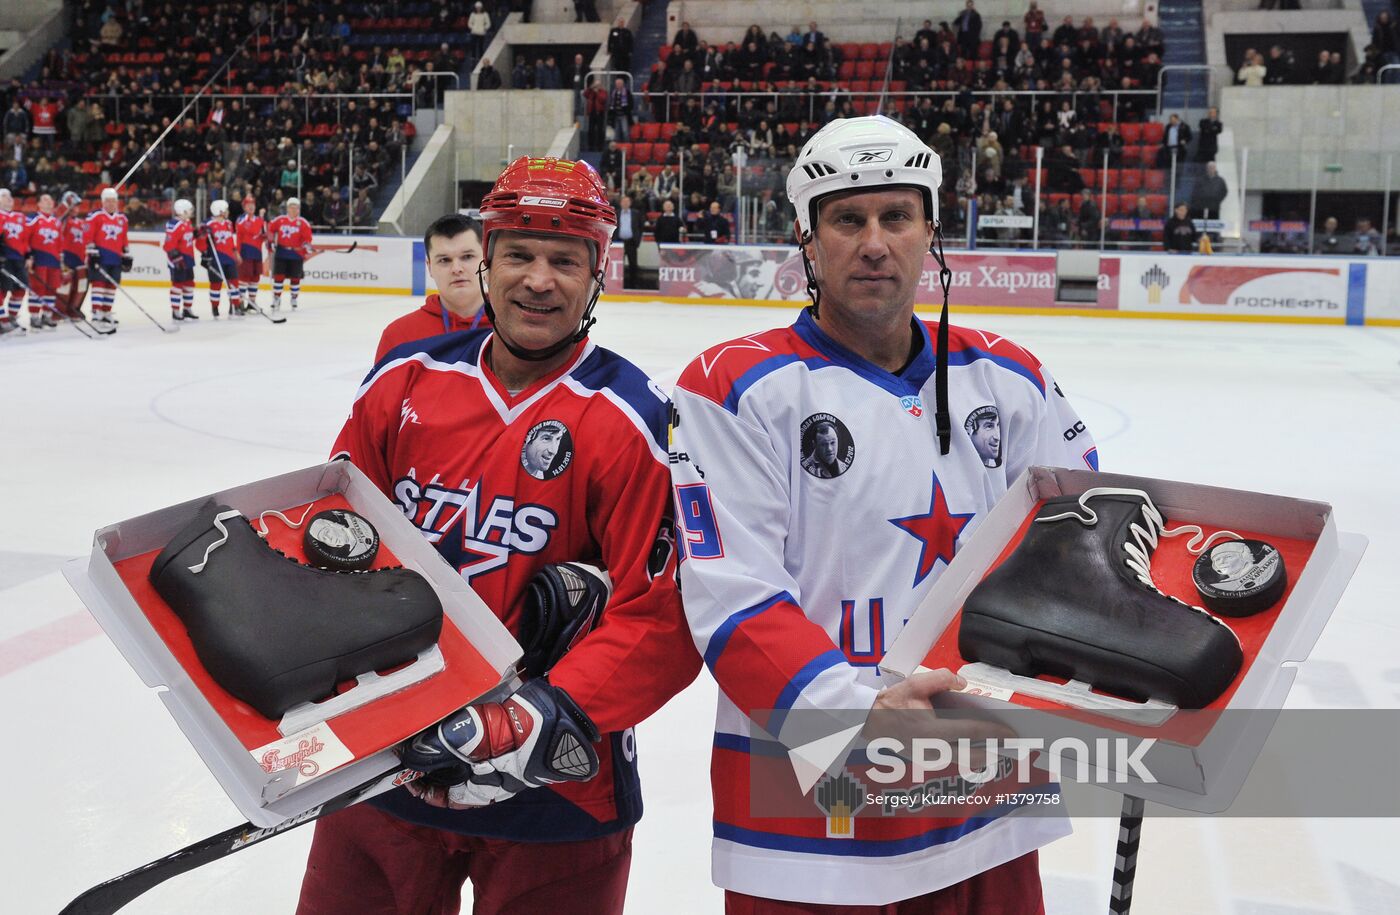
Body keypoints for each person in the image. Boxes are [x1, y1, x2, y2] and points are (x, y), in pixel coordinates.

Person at [669, 115, 1097, 911]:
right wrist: (860, 717)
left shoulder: (1011, 377)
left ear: (931, 231)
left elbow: (1080, 550)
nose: (874, 243)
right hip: (804, 815)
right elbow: (731, 595)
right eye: (847, 219)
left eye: (897, 216)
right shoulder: (731, 387)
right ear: (807, 239)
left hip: (987, 792)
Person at [297, 156, 700, 915]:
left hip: (559, 787)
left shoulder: (637, 419)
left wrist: (528, 717)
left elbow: (662, 613)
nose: (538, 280)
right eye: (519, 254)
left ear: (597, 273)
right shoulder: (404, 379)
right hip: (388, 766)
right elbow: (336, 541)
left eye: (564, 260)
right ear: (487, 259)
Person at [374, 214, 489, 361]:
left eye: (467, 257)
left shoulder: (510, 329)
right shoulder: (398, 336)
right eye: (444, 260)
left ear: (485, 259)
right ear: (429, 267)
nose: (456, 269)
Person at [86, 186, 130, 329]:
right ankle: (96, 313)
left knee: (112, 286)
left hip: (116, 258)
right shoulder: (94, 216)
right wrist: (92, 253)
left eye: (113, 201)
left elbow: (124, 238)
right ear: (103, 202)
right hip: (100, 257)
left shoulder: (122, 218)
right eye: (108, 201)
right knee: (99, 284)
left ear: (117, 202)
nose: (111, 204)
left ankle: (106, 312)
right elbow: (88, 236)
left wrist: (126, 253)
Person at [197, 199, 242, 317]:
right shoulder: (207, 224)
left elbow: (230, 240)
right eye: (226, 210)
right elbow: (199, 244)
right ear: (220, 211)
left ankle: (235, 306)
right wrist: (203, 239)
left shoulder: (228, 223)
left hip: (230, 258)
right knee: (216, 284)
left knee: (234, 282)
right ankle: (215, 306)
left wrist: (235, 252)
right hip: (216, 259)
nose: (228, 212)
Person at [267, 196, 313, 311]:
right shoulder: (280, 220)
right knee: (279, 277)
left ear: (298, 209)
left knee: (295, 278)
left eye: (295, 208)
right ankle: (277, 298)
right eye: (291, 207)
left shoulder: (303, 223)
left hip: (296, 254)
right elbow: (270, 229)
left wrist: (306, 245)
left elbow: (307, 238)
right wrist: (271, 241)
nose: (293, 210)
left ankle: (294, 298)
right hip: (281, 252)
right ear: (287, 208)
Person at [25, 193, 63, 329]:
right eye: (45, 200)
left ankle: (47, 315)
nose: (48, 202)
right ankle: (34, 317)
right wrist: (29, 256)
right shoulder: (32, 219)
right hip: (38, 258)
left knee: (52, 288)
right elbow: (26, 237)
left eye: (50, 200)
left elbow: (60, 242)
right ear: (39, 204)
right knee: (37, 288)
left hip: (54, 260)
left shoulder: (57, 222)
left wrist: (61, 258)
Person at [0, 188, 30, 330]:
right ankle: (2, 320)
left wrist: (28, 255)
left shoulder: (21, 217)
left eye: (10, 196)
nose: (9, 198)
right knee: (2, 290)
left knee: (21, 288)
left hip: (18, 259)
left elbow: (26, 238)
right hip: (4, 259)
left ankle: (12, 317)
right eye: (4, 196)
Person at [163, 198, 199, 321]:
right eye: (189, 210)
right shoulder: (174, 225)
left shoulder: (187, 223)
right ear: (182, 211)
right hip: (177, 260)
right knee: (177, 285)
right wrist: (176, 258)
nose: (191, 212)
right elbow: (168, 245)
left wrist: (198, 233)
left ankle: (187, 309)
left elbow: (187, 238)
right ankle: (176, 311)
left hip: (188, 258)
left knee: (189, 284)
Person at [58, 191, 91, 318]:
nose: (75, 209)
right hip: (67, 256)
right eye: (73, 206)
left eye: (77, 206)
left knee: (81, 285)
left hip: (80, 258)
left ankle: (74, 309)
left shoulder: (83, 222)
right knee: (65, 285)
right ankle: (60, 310)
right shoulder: (63, 220)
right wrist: (66, 208)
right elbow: (59, 222)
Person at [235, 195, 266, 311]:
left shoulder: (259, 220)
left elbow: (263, 235)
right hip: (245, 251)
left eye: (252, 204)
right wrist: (262, 218)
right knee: (244, 278)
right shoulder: (241, 220)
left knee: (255, 278)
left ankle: (252, 303)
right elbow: (253, 230)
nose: (251, 207)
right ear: (244, 207)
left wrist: (265, 236)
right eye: (248, 205)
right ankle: (240, 302)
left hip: (257, 252)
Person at [614, 194, 642, 288]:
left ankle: (633, 285)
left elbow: (640, 227)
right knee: (618, 264)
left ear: (630, 203)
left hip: (631, 242)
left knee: (633, 264)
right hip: (619, 242)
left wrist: (637, 241)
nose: (625, 203)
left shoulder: (636, 213)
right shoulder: (616, 213)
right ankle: (617, 284)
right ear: (620, 203)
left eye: (627, 201)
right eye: (623, 201)